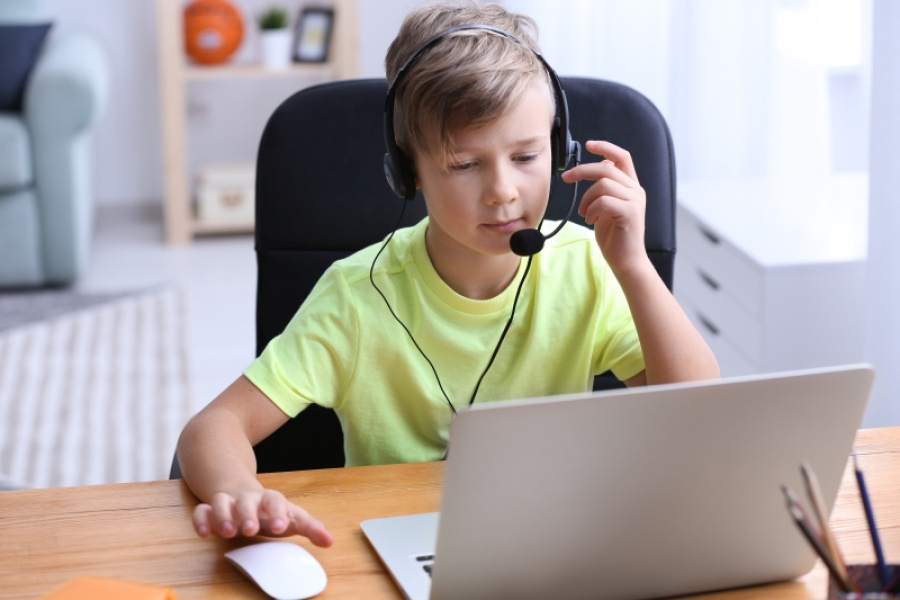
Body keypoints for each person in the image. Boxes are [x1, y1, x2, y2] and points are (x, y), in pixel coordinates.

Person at [176, 0, 719, 547]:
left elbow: (701, 416)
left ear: (558, 149)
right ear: (406, 171)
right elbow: (212, 429)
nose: (504, 190)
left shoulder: (588, 267)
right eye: (464, 164)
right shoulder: (357, 296)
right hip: (400, 541)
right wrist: (238, 489)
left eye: (527, 157)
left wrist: (634, 265)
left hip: (554, 538)